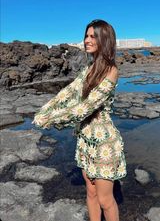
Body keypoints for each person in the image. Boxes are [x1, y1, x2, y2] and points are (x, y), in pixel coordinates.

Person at [33, 19, 127, 221]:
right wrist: (44, 110)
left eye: (93, 36)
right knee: (91, 193)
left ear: (105, 39)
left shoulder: (111, 70)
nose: (87, 40)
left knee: (105, 200)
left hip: (104, 143)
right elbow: (67, 93)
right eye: (86, 36)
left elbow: (86, 107)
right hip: (85, 140)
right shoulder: (89, 69)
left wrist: (51, 119)